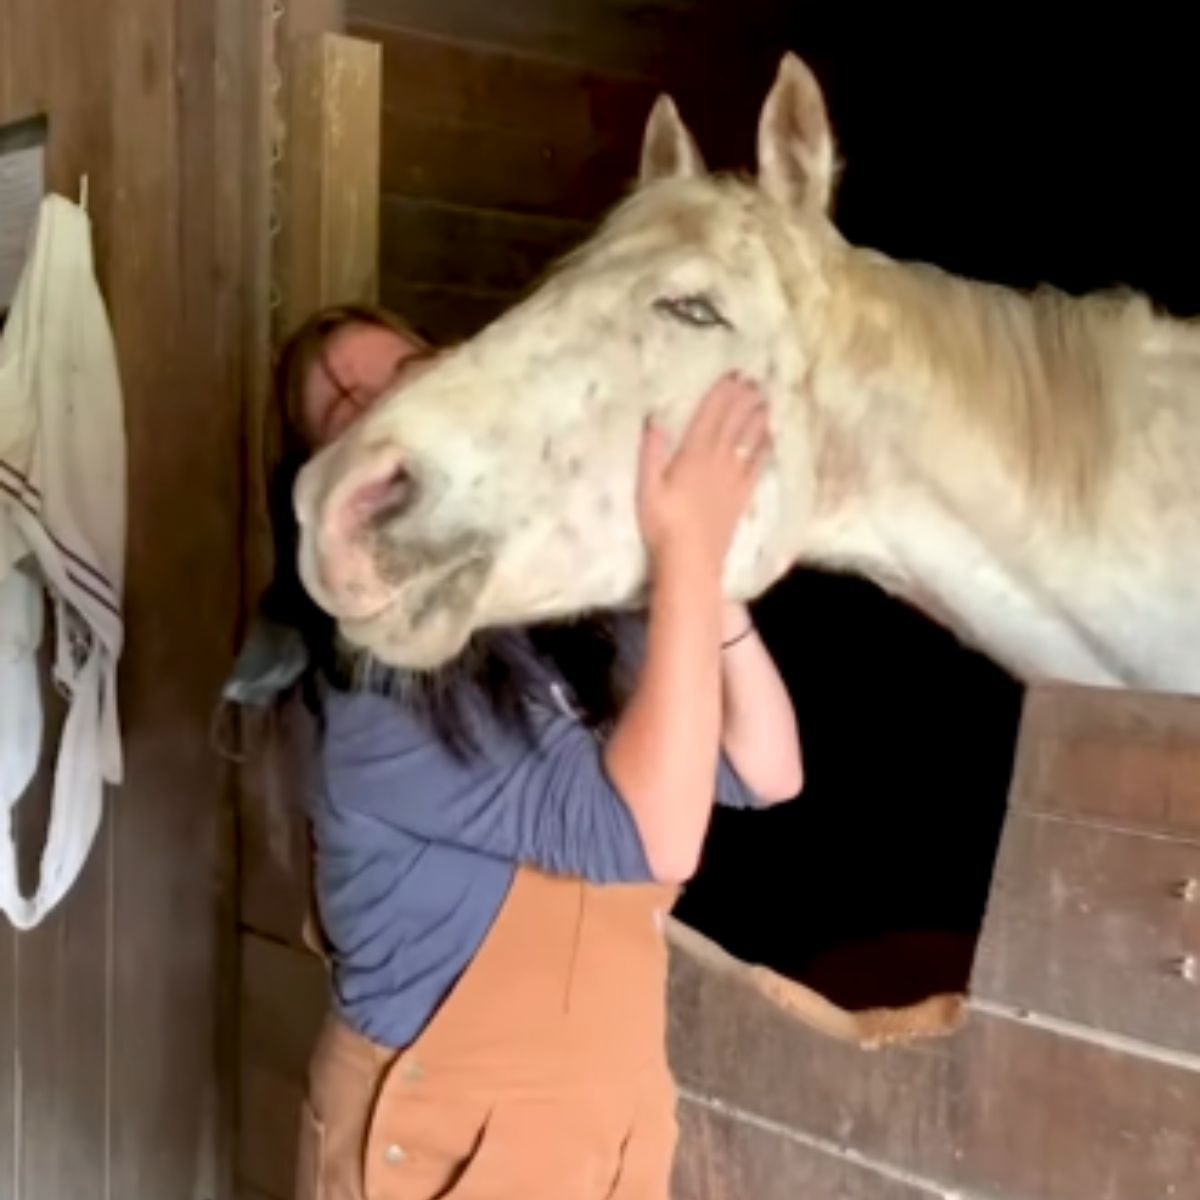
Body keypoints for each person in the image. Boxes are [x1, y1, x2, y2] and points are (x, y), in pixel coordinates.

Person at [236, 303, 804, 1200]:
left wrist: (704, 578)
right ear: (328, 492)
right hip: (439, 1155)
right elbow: (654, 835)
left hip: (599, 1145)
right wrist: (687, 552)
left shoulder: (560, 621)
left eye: (405, 373)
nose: (388, 405)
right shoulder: (382, 694)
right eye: (346, 408)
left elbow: (765, 767)